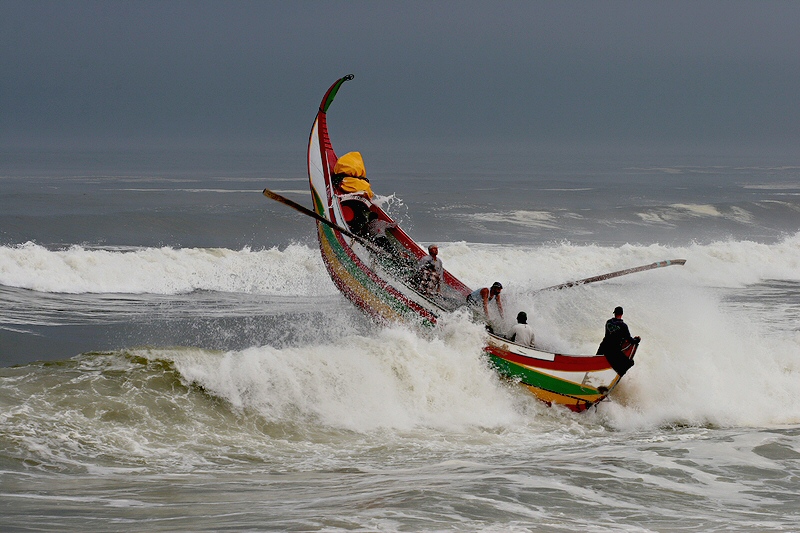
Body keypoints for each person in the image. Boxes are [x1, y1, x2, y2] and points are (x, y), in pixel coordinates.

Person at [596, 306, 640, 376]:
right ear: (622, 314)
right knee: (630, 363)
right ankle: (618, 373)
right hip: (613, 351)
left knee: (597, 361)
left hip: (602, 348)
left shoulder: (608, 322)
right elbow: (630, 339)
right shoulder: (623, 326)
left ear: (614, 313)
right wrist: (637, 340)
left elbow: (611, 335)